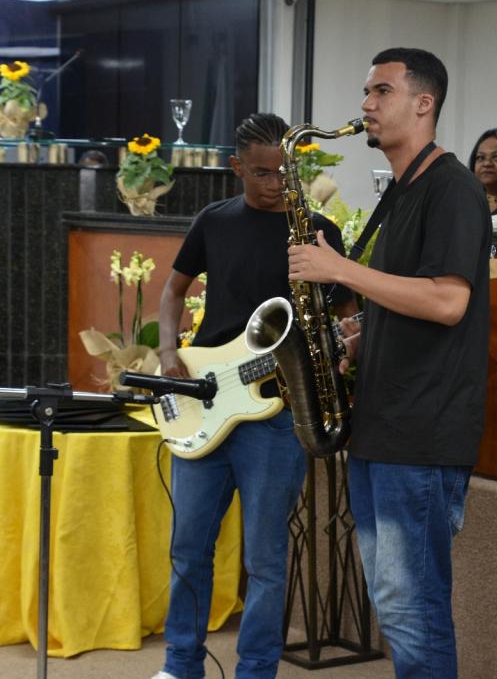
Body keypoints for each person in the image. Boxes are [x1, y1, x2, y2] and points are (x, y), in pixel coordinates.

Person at [287, 48, 490, 677]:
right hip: (382, 427)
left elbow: (449, 302)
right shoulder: (401, 191)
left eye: (381, 92)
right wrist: (348, 340)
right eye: (367, 92)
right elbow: (403, 301)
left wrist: (339, 269)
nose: (366, 106)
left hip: (421, 435)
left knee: (414, 607)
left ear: (423, 103)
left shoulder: (452, 188)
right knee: (395, 604)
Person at [152, 112, 356, 679]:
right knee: (188, 548)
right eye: (262, 173)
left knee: (265, 560)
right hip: (205, 396)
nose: (274, 184)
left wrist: (347, 347)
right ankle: (179, 665)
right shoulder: (213, 221)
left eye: (283, 172)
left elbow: (348, 316)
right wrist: (169, 355)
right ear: (237, 166)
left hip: (277, 415)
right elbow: (172, 295)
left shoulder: (318, 230)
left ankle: (256, 671)